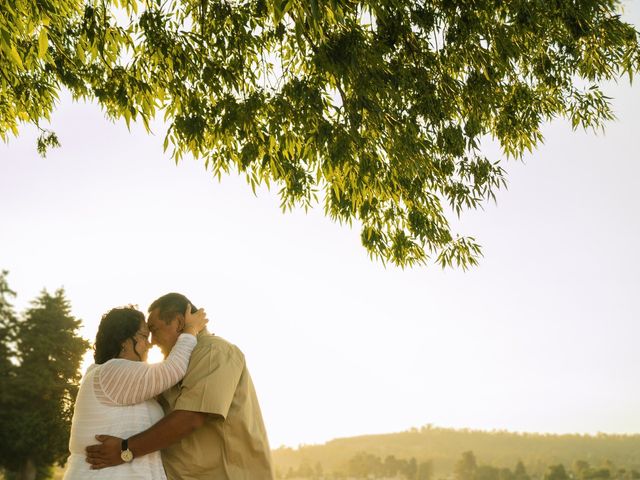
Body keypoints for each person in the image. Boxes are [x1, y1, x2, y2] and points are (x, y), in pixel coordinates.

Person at [85, 293, 274, 480]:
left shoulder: (212, 351)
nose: (151, 342)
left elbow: (191, 417)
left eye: (154, 330)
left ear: (178, 323)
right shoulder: (174, 367)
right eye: (146, 335)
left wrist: (124, 450)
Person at [64, 304, 207, 480]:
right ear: (124, 342)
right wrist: (191, 330)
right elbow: (172, 370)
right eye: (144, 336)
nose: (150, 344)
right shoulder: (111, 371)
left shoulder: (123, 381)